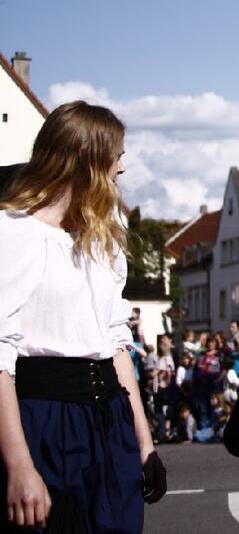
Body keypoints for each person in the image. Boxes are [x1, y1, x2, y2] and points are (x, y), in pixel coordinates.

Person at [0, 101, 166, 530]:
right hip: (43, 417)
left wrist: (145, 445)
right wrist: (19, 465)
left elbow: (116, 346)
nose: (122, 167)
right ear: (82, 158)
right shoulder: (14, 232)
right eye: (117, 154)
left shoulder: (104, 238)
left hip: (109, 417)